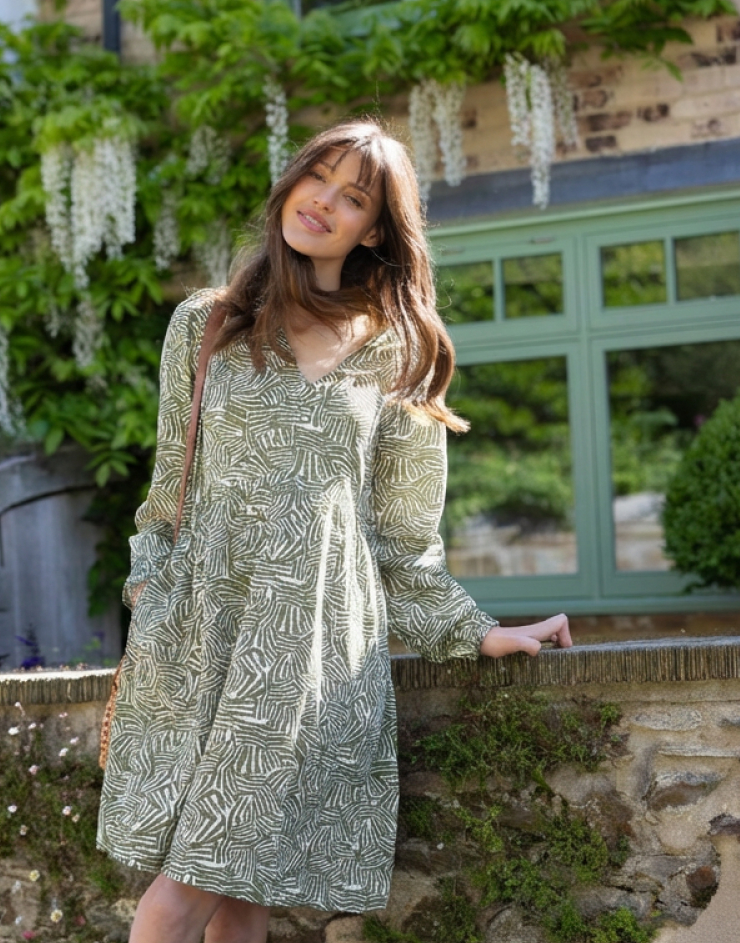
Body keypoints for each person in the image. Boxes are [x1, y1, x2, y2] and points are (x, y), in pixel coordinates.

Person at [94, 118, 574, 943]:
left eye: (352, 197)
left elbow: (401, 534)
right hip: (199, 634)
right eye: (317, 177)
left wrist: (475, 630)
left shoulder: (400, 351)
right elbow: (168, 488)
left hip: (309, 649)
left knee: (191, 889)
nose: (322, 201)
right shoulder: (205, 325)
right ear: (290, 183)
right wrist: (152, 591)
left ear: (375, 230)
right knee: (233, 896)